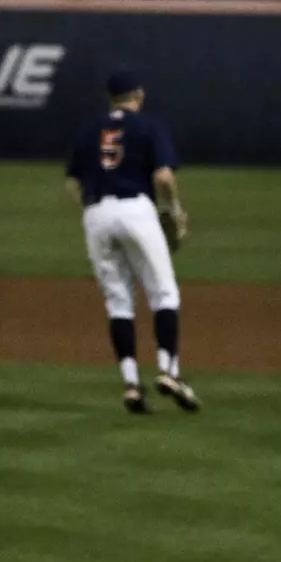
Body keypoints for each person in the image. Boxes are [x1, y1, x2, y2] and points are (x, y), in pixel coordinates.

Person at [66, 68, 199, 414]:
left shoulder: (87, 130)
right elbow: (164, 176)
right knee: (164, 293)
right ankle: (169, 371)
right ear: (138, 95)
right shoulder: (148, 126)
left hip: (95, 214)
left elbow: (74, 186)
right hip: (136, 209)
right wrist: (174, 210)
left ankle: (131, 385)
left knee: (118, 302)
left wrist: (96, 216)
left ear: (111, 98)